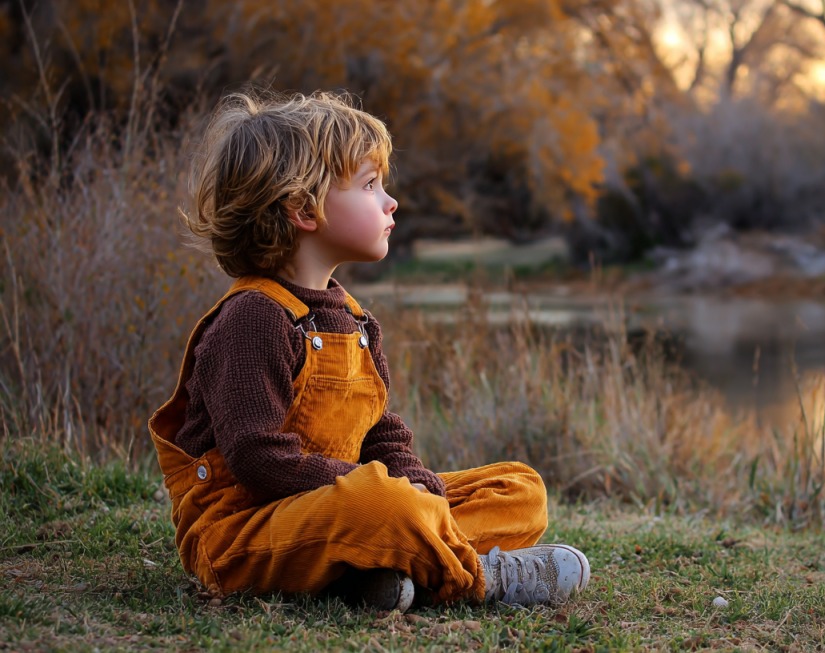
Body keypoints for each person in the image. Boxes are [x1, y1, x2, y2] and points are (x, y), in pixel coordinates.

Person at [148, 90, 589, 612]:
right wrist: (382, 493)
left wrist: (419, 486)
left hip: (344, 509)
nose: (390, 201)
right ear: (302, 208)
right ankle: (477, 580)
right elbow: (257, 459)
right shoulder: (251, 319)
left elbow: (378, 429)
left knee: (520, 489)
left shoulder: (353, 320)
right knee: (382, 504)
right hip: (246, 533)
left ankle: (371, 573)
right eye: (369, 185)